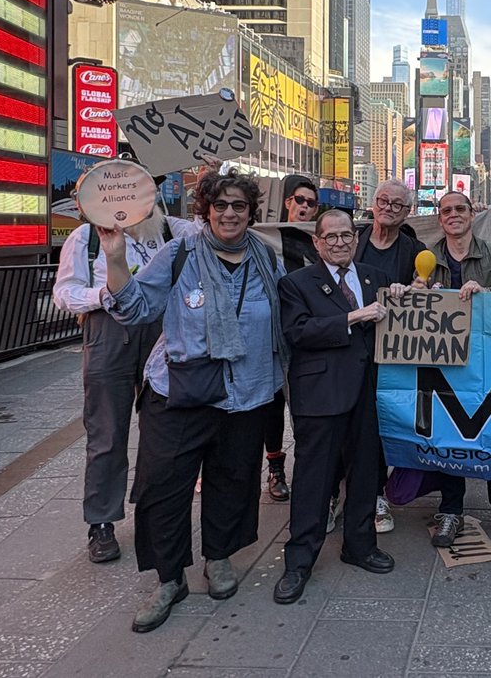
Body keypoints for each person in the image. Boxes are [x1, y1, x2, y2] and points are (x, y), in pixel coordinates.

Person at [98, 166, 287, 633]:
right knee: (162, 487)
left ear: (250, 212)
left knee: (233, 479)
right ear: (205, 210)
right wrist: (115, 257)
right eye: (219, 205)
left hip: (246, 393)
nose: (228, 213)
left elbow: (291, 316)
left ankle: (218, 558)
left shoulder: (267, 258)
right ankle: (169, 578)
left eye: (238, 206)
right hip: (179, 391)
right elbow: (135, 307)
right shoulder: (179, 252)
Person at [52, 199, 196, 564]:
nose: (136, 205)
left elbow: (208, 231)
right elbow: (64, 293)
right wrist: (104, 294)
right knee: (107, 432)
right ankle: (101, 522)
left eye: (143, 196)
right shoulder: (86, 237)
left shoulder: (169, 230)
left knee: (163, 430)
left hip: (160, 329)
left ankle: (155, 515)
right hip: (108, 332)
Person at [272, 209, 396, 604]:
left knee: (364, 472)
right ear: (317, 241)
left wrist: (401, 298)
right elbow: (297, 331)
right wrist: (352, 316)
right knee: (314, 478)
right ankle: (299, 561)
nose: (341, 242)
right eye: (332, 236)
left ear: (356, 239)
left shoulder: (374, 277)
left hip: (368, 393)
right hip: (321, 394)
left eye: (347, 235)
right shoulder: (296, 283)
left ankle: (360, 545)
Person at [411, 191, 491, 550]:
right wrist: (413, 291)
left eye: (460, 209)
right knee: (449, 434)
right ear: (440, 219)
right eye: (446, 211)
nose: (453, 215)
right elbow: (412, 309)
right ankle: (450, 509)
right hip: (446, 363)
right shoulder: (427, 258)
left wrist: (485, 291)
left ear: (470, 214)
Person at [353, 179, 427, 533]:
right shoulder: (351, 240)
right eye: (383, 200)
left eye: (398, 205)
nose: (389, 208)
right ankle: (342, 492)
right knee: (345, 421)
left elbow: (425, 292)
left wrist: (414, 290)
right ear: (372, 202)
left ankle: (377, 493)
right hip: (350, 345)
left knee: (379, 423)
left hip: (392, 353)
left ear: (408, 211)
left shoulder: (415, 249)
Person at [261, 175, 320, 507]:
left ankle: (313, 475)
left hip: (306, 338)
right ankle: (275, 468)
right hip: (270, 336)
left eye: (311, 203)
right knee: (271, 407)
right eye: (300, 200)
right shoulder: (265, 236)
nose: (305, 207)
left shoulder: (320, 238)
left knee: (305, 410)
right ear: (287, 202)